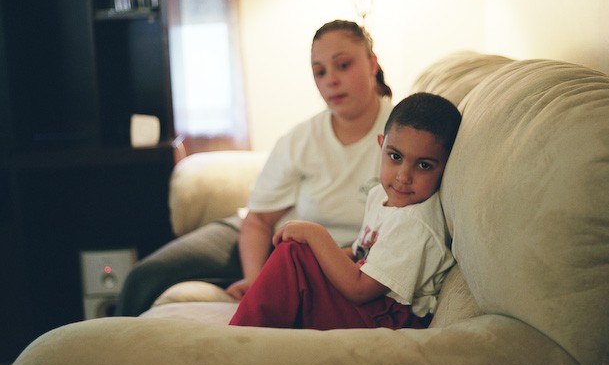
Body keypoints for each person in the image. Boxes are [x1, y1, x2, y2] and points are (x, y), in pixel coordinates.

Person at [115, 20, 393, 316]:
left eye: (343, 65)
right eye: (319, 72)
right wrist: (254, 279)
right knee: (143, 278)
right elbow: (258, 221)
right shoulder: (302, 139)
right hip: (256, 240)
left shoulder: (403, 137)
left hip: (317, 258)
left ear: (372, 63)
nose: (331, 81)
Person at [229, 92, 461, 330]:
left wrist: (316, 235)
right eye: (395, 156)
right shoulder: (381, 195)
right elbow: (361, 250)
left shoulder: (415, 224)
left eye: (424, 165)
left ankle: (243, 334)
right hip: (370, 301)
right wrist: (317, 255)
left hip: (387, 317)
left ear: (445, 166)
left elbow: (360, 290)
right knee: (300, 253)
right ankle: (257, 325)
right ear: (381, 146)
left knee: (295, 253)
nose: (403, 177)